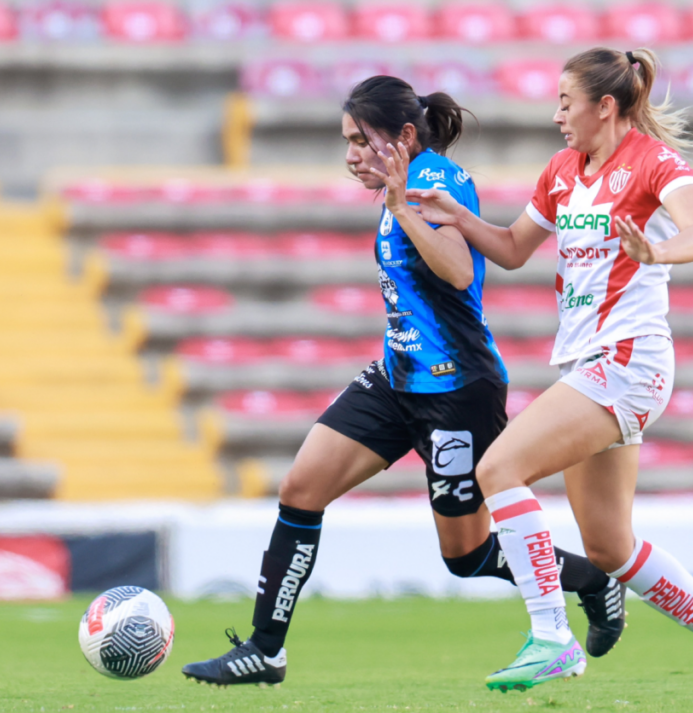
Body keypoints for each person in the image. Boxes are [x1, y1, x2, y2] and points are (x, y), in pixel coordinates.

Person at [182, 76, 626, 686]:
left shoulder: (438, 179)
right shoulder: (401, 189)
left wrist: (399, 207)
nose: (350, 156)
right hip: (395, 379)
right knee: (301, 487)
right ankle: (266, 650)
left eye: (361, 140)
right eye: (347, 142)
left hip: (455, 391)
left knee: (467, 556)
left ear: (406, 137)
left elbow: (454, 268)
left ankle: (592, 579)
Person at [407, 48, 693, 700]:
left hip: (628, 358)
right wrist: (461, 218)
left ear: (605, 106)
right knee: (608, 546)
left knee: (497, 468)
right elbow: (516, 249)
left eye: (565, 103)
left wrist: (657, 248)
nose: (556, 116)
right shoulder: (562, 170)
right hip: (593, 362)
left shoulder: (652, 163)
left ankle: (552, 636)